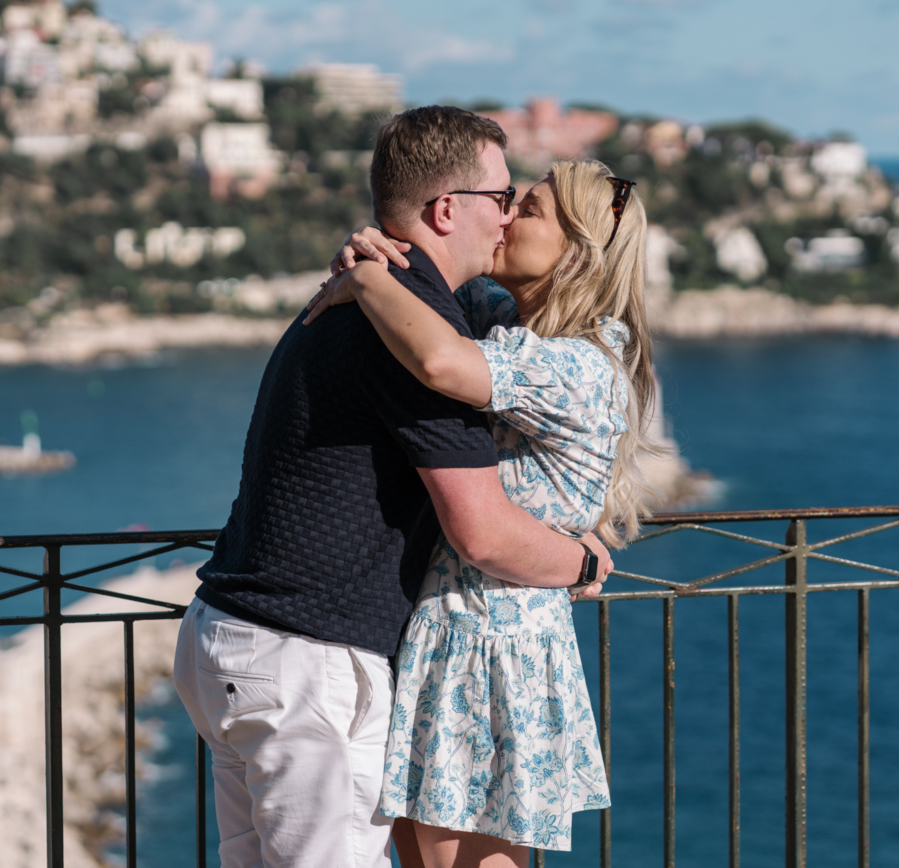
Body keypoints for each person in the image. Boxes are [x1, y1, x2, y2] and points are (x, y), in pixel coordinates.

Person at [174, 106, 614, 868]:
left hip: (229, 638)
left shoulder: (377, 295)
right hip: (306, 663)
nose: (507, 218)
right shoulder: (410, 333)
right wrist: (582, 563)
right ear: (449, 209)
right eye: (502, 198)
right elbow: (481, 531)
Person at [305, 158, 655, 867]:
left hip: (486, 646)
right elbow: (435, 316)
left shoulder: (578, 364)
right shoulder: (508, 323)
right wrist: (372, 253)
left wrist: (367, 278)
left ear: (576, 251)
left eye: (527, 209)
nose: (504, 214)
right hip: (453, 632)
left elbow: (440, 363)